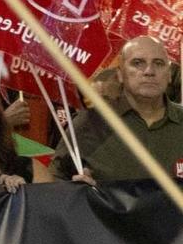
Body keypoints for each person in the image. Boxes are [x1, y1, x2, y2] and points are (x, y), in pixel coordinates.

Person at [74, 36, 183, 186]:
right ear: (120, 74)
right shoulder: (92, 123)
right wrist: (77, 190)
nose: (149, 71)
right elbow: (56, 176)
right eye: (138, 63)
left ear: (169, 74)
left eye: (158, 63)